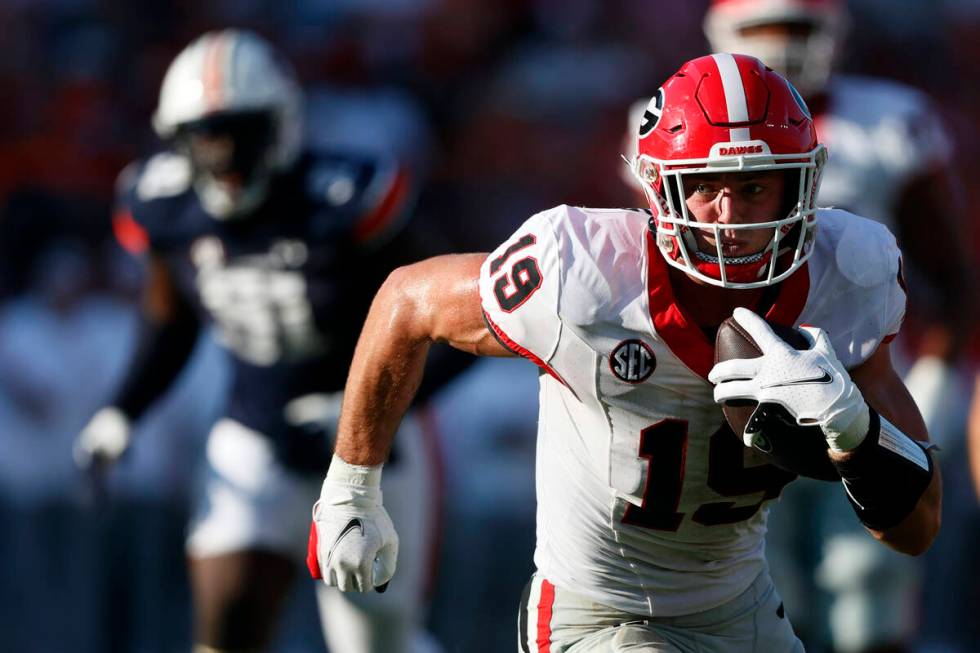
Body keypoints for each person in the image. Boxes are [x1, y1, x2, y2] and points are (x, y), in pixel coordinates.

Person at [308, 53, 941, 652]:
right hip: (598, 612)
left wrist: (857, 435)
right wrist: (351, 488)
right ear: (660, 190)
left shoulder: (849, 275)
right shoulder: (581, 273)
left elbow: (917, 528)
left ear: (800, 185)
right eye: (706, 187)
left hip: (740, 604)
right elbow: (407, 299)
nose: (729, 218)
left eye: (754, 188)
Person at [73, 29, 448, 653]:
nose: (220, 154)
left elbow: (440, 326)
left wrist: (359, 415)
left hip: (373, 442)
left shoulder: (343, 198)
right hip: (255, 431)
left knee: (374, 646)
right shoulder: (162, 205)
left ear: (280, 126)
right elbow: (170, 319)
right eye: (204, 136)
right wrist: (124, 407)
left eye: (236, 132)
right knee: (225, 627)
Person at [700, 2, 972, 651]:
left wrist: (934, 374)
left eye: (797, 28)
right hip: (743, 383)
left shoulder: (885, 123)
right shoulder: (690, 125)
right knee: (762, 579)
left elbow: (951, 272)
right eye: (766, 28)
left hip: (867, 376)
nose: (783, 46)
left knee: (869, 575)